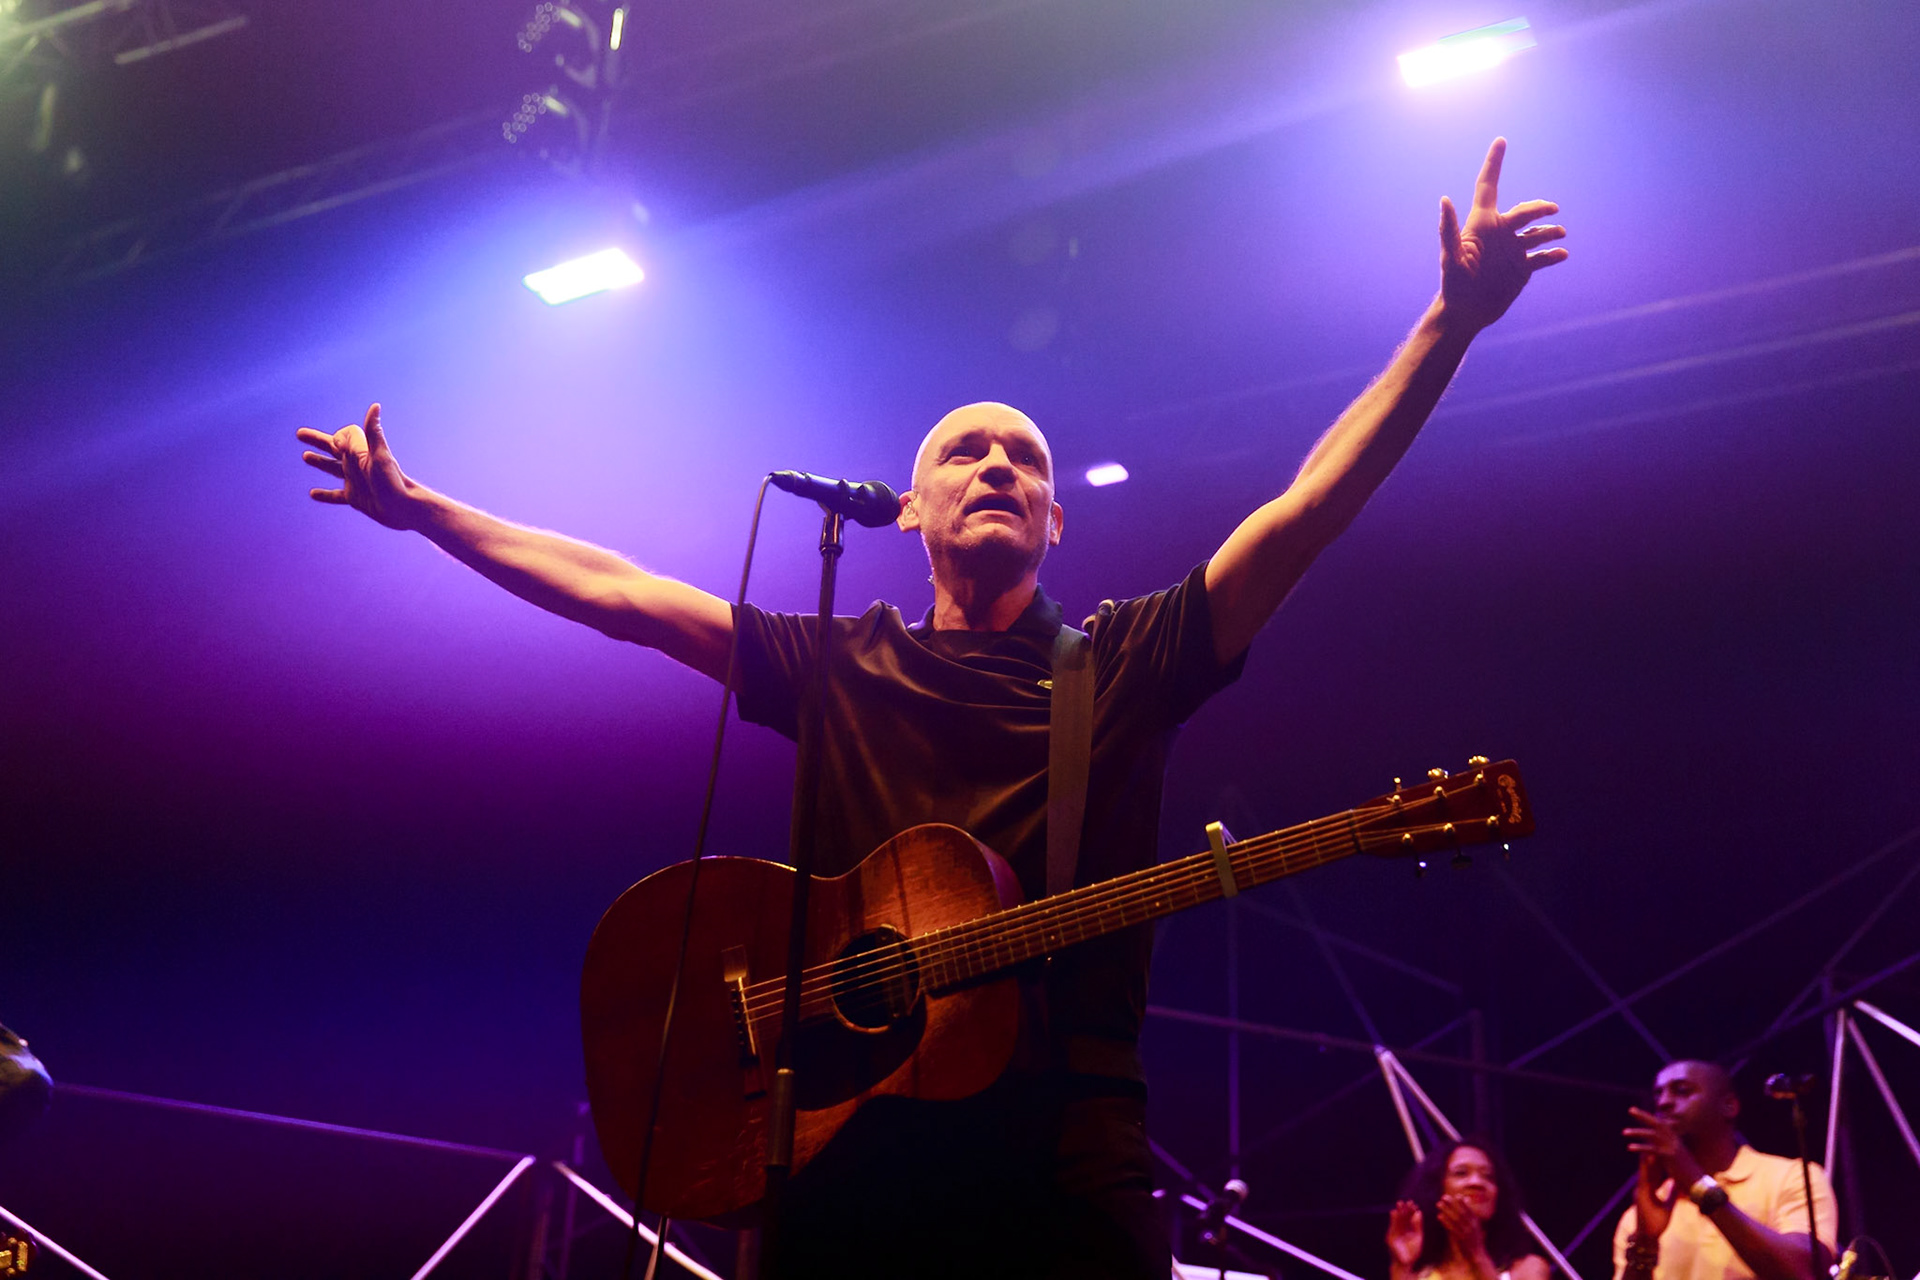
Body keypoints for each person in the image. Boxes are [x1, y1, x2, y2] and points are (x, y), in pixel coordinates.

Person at [297, 139, 1566, 1279]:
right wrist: (425, 512)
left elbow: (1304, 514)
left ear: (1057, 522)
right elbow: (620, 592)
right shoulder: (838, 659)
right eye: (967, 450)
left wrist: (1447, 326)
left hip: (1063, 1147)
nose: (999, 464)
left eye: (1027, 459)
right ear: (907, 510)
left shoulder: (1123, 662)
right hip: (844, 1137)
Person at [1613, 1061, 1837, 1280]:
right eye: (1658, 1094)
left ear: (1729, 1106)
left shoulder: (1791, 1177)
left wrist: (1697, 1185)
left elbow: (1804, 1272)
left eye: (1681, 1091)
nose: (1663, 1103)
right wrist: (1644, 1244)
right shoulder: (1643, 1211)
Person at [1388, 1139, 1549, 1280]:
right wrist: (1402, 1266)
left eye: (1488, 1176)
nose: (1476, 1182)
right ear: (1437, 1189)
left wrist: (1476, 1254)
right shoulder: (1421, 1275)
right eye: (1461, 1173)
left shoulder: (1528, 1268)